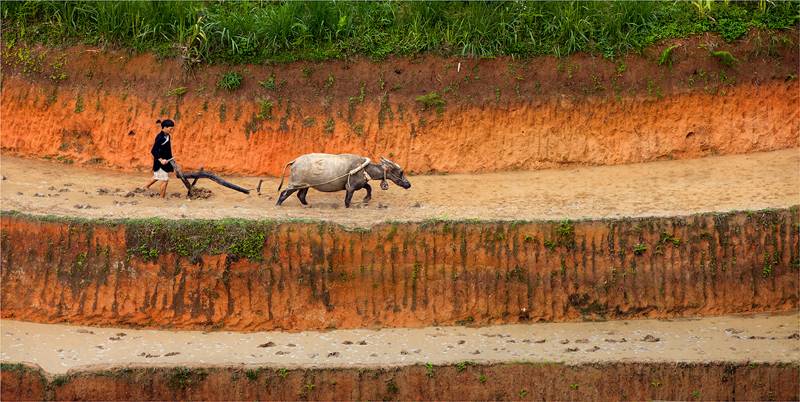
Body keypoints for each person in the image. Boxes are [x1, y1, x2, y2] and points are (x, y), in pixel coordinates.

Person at [143, 119, 175, 198]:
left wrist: (171, 159)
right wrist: (161, 160)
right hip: (160, 162)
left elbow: (167, 149)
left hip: (166, 161)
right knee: (165, 180)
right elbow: (153, 150)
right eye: (170, 128)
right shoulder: (160, 137)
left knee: (157, 176)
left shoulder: (167, 136)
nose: (171, 130)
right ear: (165, 127)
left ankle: (145, 187)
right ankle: (161, 199)